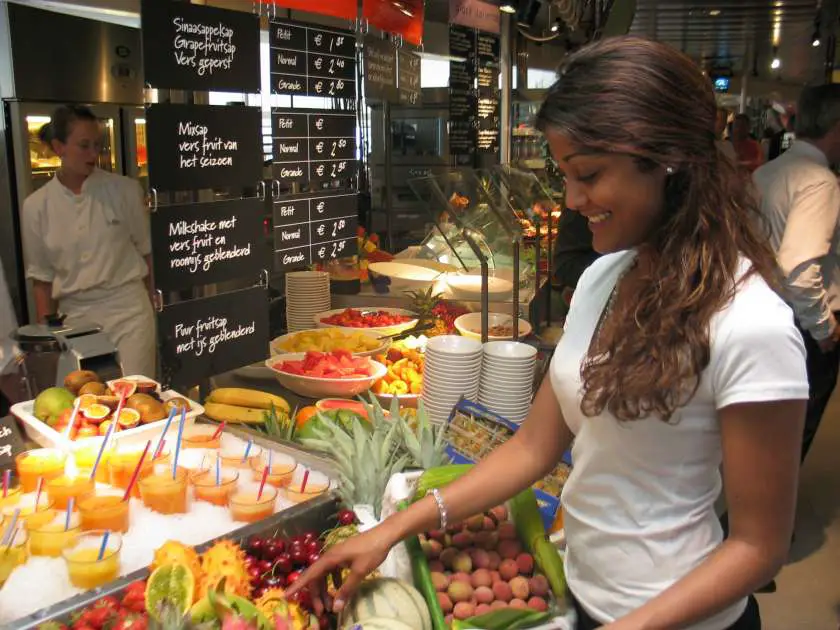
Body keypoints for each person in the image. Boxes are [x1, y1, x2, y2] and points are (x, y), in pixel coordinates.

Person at [289, 37, 808, 630]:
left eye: (588, 175)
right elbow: (533, 448)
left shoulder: (752, 324)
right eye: (564, 176)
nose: (572, 200)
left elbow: (758, 547)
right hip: (582, 599)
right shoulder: (602, 279)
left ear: (668, 159)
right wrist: (394, 528)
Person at [20, 105, 155, 377]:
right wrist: (49, 339)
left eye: (97, 145)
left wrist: (152, 308)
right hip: (76, 319)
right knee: (86, 399)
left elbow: (147, 254)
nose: (94, 154)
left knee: (135, 396)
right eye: (84, 145)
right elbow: (42, 280)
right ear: (59, 147)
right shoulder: (36, 206)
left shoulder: (125, 190)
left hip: (128, 312)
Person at [752, 84, 840, 463]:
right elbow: (801, 269)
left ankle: (744, 510)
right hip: (802, 326)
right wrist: (824, 328)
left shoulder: (768, 172)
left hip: (764, 312)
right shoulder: (819, 182)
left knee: (767, 425)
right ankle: (765, 519)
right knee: (789, 434)